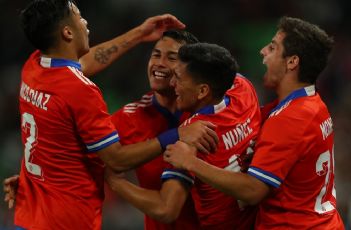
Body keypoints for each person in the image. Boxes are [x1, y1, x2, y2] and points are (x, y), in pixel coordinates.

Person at [9, 0, 217, 229]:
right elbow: (116, 159)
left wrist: (140, 33)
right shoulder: (86, 94)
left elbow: (81, 64)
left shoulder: (35, 66)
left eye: (171, 57)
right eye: (78, 16)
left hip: (30, 213)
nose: (85, 21)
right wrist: (177, 134)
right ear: (67, 32)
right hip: (66, 220)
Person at [163, 16, 345, 229]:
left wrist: (190, 162)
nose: (263, 52)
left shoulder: (289, 119)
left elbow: (253, 191)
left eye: (273, 47)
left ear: (292, 62)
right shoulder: (313, 104)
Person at [105, 43, 262, 229]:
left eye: (179, 78)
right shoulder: (243, 89)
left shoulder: (191, 139)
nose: (172, 84)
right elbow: (223, 70)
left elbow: (166, 209)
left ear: (203, 91)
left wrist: (117, 183)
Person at [109, 30, 201, 229]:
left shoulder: (206, 111)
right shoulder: (127, 118)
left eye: (172, 58)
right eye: (156, 55)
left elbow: (167, 209)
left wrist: (117, 184)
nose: (159, 63)